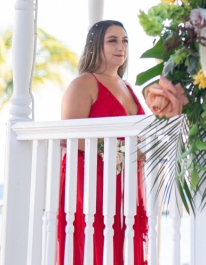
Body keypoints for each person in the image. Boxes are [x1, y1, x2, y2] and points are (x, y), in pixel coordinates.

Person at [58, 20, 148, 265]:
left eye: (125, 40)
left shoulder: (128, 86)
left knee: (122, 245)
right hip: (89, 180)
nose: (121, 47)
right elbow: (68, 135)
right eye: (113, 40)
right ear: (95, 45)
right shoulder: (84, 83)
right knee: (93, 244)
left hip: (124, 182)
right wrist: (112, 151)